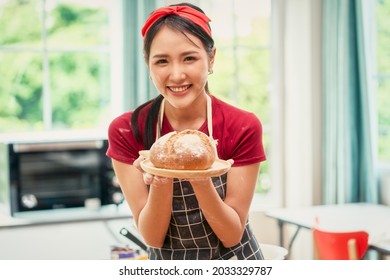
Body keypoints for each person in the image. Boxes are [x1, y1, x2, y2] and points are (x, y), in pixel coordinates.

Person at [106, 2, 266, 260]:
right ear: (148, 65)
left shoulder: (242, 126)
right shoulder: (127, 130)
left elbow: (232, 234)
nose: (177, 75)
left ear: (211, 58)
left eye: (189, 58)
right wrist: (161, 176)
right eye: (162, 61)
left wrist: (201, 176)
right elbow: (152, 237)